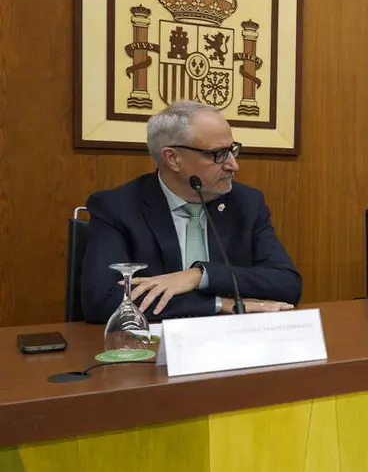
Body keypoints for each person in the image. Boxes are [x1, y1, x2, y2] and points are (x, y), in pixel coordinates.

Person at [80, 101, 301, 323]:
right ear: (173, 158)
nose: (233, 165)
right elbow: (102, 300)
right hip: (154, 347)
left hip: (233, 344)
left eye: (232, 150)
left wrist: (200, 275)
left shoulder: (246, 203)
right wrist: (218, 305)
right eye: (218, 154)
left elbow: (287, 284)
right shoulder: (117, 207)